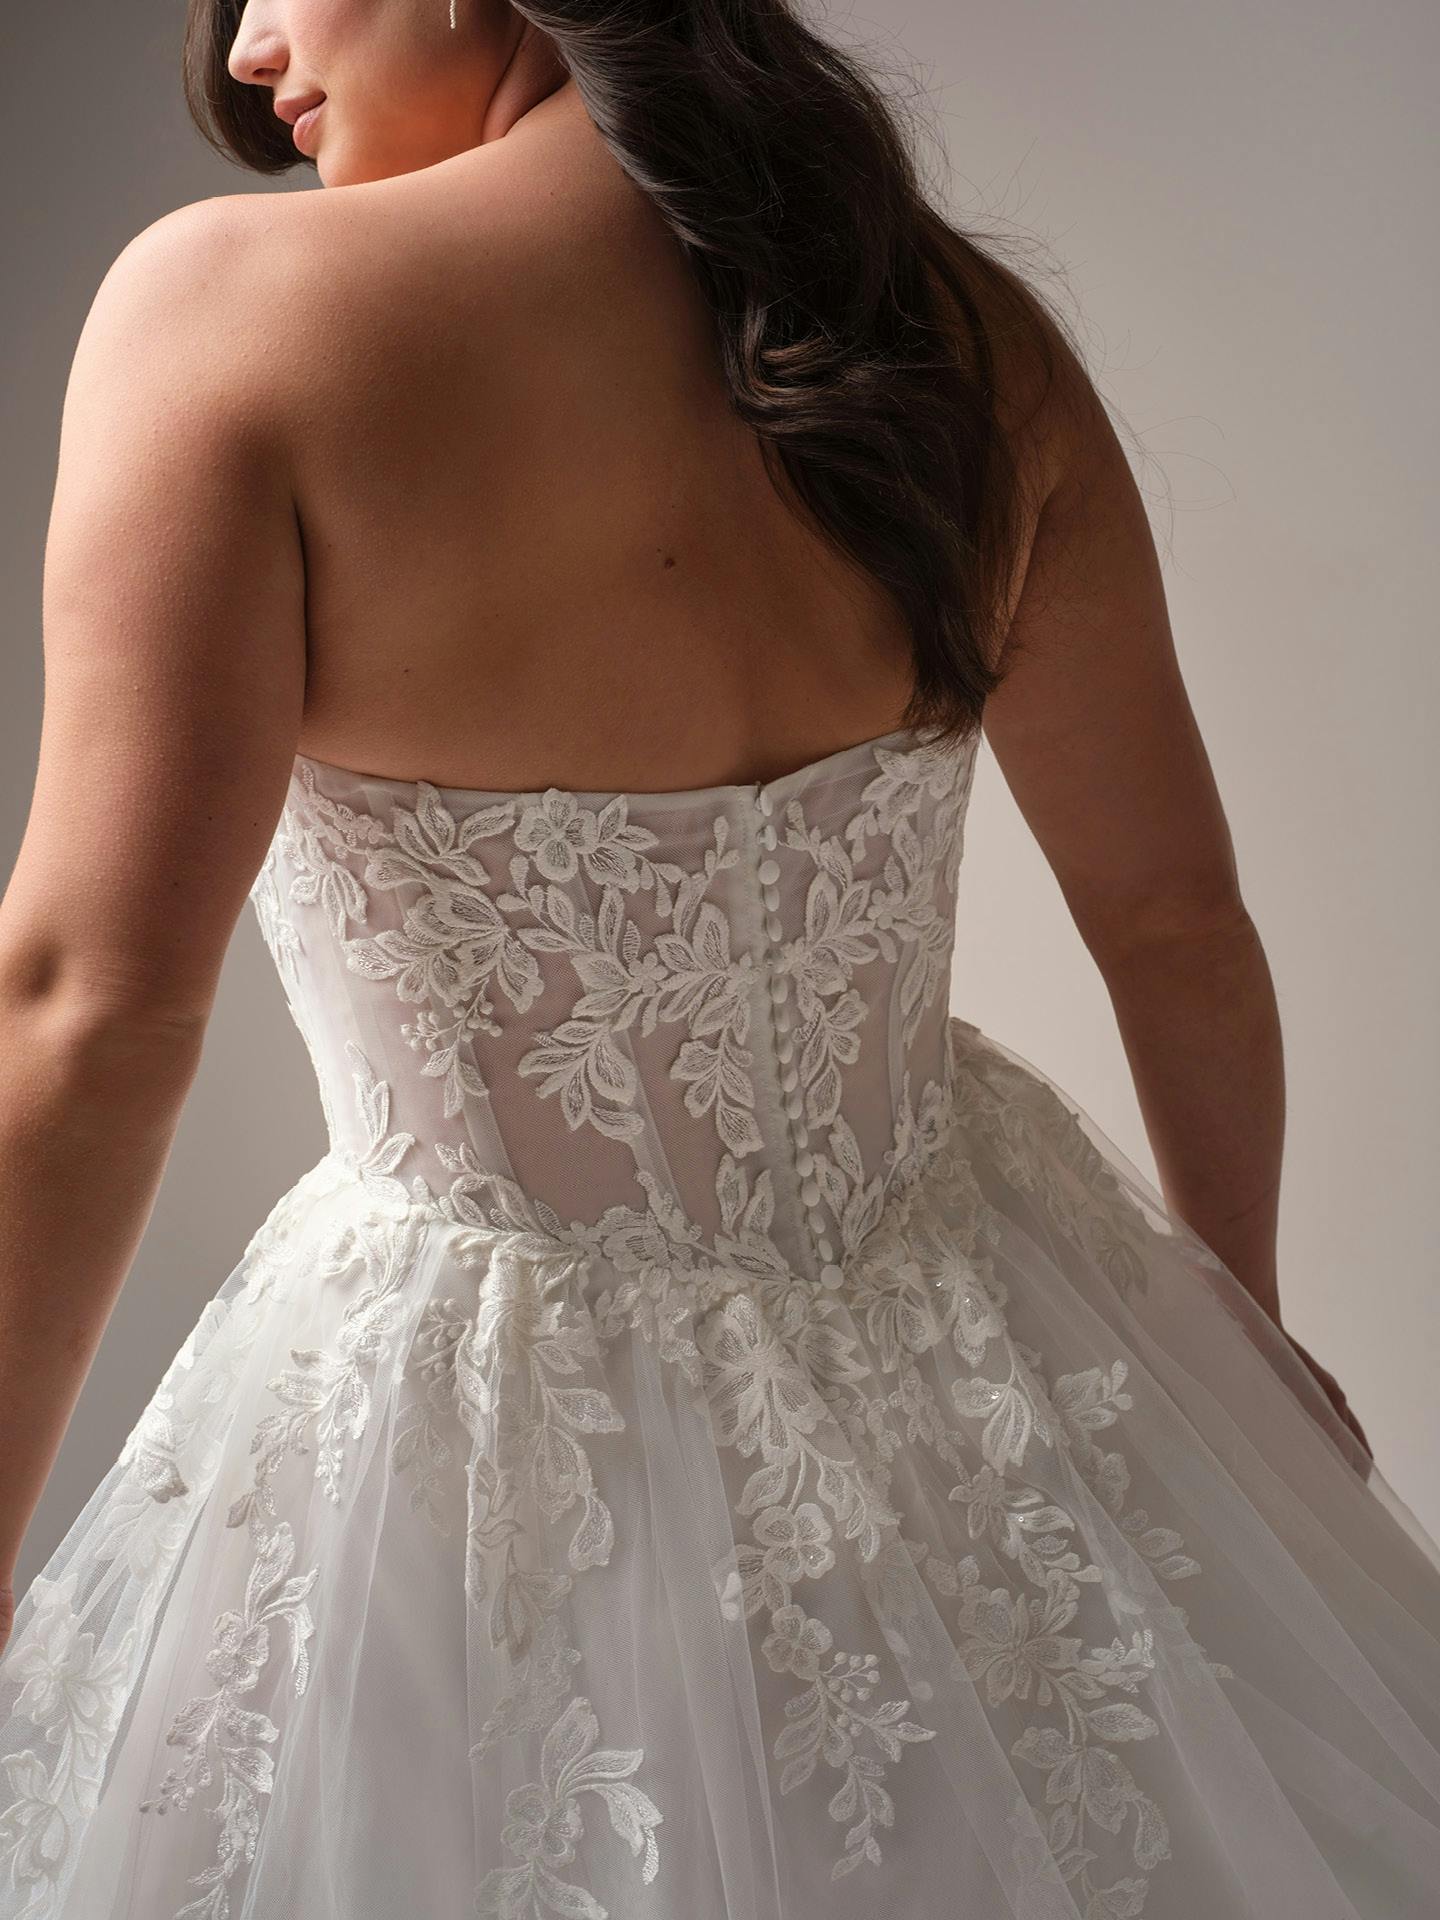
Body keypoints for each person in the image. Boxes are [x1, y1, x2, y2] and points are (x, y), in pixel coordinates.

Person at [0, 2, 1435, 1915]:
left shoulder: (229, 321)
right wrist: (1231, 1338)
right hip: (985, 1350)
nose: (252, 47)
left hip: (473, 1443)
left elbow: (92, 1012)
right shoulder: (954, 330)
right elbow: (1174, 918)